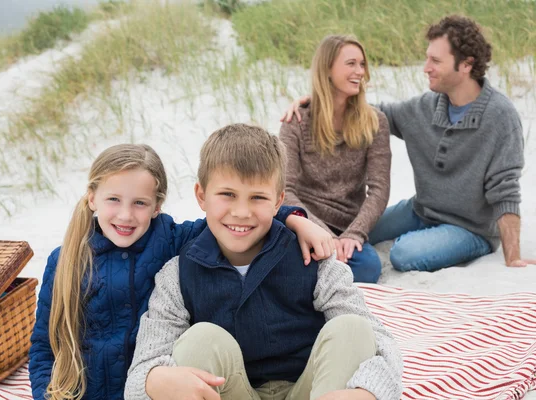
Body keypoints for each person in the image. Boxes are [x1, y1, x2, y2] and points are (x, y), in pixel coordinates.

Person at [28, 144, 335, 400]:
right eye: (113, 200)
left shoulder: (172, 238)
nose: (125, 214)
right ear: (92, 198)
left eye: (139, 203)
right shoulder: (66, 260)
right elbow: (44, 344)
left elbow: (231, 219)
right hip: (88, 392)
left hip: (157, 388)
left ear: (156, 205)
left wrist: (296, 219)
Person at [125, 125, 403, 400]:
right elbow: (138, 376)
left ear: (278, 201)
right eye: (227, 194)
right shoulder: (178, 275)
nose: (241, 212)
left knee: (352, 328)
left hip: (312, 389)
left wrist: (367, 392)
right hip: (231, 392)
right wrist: (153, 379)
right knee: (200, 339)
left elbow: (381, 344)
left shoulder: (313, 259)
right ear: (201, 196)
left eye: (257, 197)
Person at [282, 15, 535, 271]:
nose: (426, 67)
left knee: (403, 254)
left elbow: (506, 192)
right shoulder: (424, 108)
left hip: (469, 226)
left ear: (466, 65)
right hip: (420, 210)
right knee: (357, 228)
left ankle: (476, 245)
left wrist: (512, 256)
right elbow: (364, 112)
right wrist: (316, 101)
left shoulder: (501, 117)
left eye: (435, 61)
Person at [279, 35, 391, 283]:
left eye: (362, 64)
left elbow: (380, 188)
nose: (360, 71)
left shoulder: (375, 122)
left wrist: (354, 234)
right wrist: (320, 233)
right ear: (327, 69)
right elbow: (285, 189)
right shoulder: (297, 121)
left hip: (349, 227)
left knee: (369, 267)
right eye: (351, 63)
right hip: (305, 221)